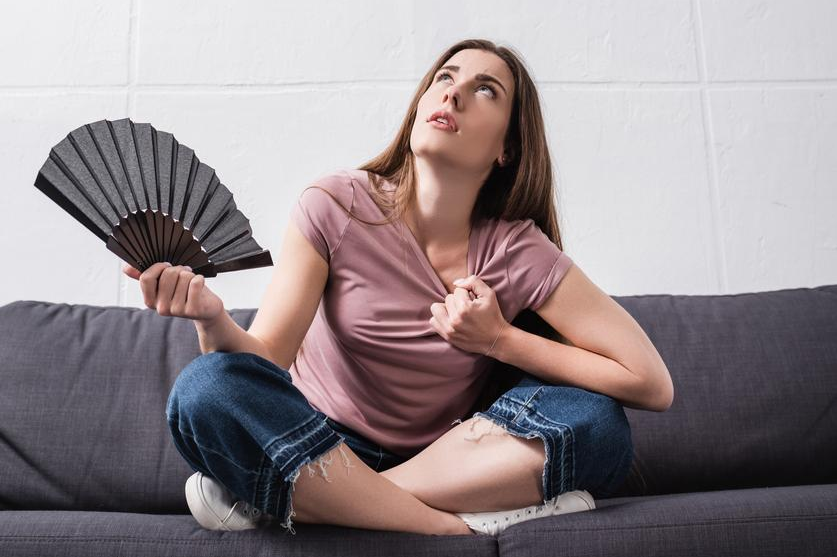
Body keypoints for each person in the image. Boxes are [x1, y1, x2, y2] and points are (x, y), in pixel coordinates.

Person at [125, 38, 661, 537]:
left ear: (508, 148)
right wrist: (211, 319)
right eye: (444, 78)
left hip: (452, 459)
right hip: (319, 442)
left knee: (600, 424)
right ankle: (457, 528)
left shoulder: (517, 249)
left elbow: (650, 383)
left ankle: (312, 503)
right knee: (206, 389)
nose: (452, 91)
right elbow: (264, 363)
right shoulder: (335, 205)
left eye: (484, 89)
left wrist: (498, 339)